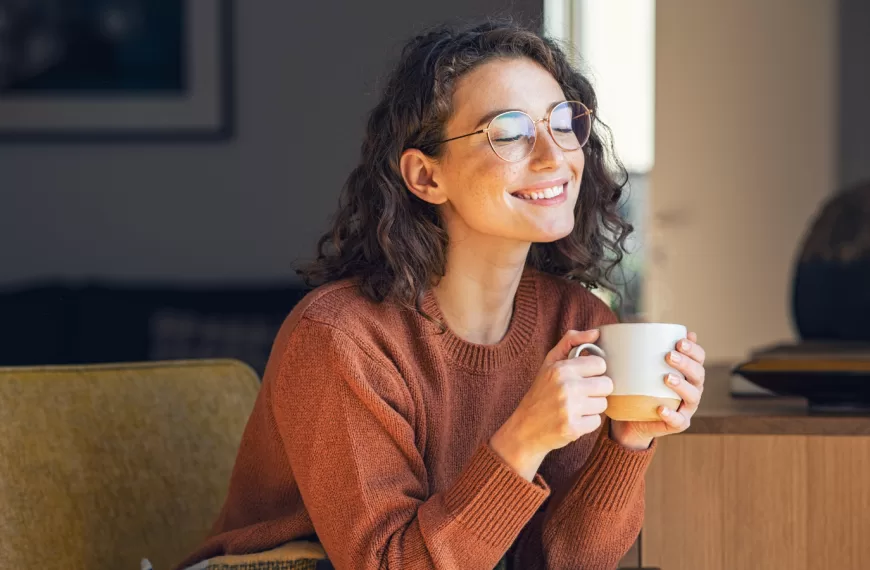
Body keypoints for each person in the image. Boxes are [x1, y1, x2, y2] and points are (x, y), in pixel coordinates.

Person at [177, 19, 707, 570]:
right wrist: (523, 439)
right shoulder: (342, 339)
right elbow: (387, 565)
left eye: (563, 122)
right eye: (508, 133)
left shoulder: (577, 321)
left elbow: (561, 561)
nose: (555, 157)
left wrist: (627, 443)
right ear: (426, 177)